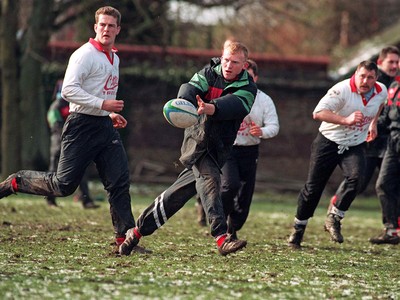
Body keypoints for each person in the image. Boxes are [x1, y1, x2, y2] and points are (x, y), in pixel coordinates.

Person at [0, 6, 144, 253]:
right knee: (63, 185)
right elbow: (68, 90)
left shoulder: (115, 58)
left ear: (118, 29)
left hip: (104, 126)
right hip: (80, 126)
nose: (106, 29)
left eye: (111, 25)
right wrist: (103, 105)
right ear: (95, 27)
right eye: (102, 25)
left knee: (119, 181)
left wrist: (109, 113)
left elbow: (100, 93)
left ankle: (124, 241)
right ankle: (16, 181)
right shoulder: (84, 55)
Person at [119, 41, 257, 256]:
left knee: (176, 196)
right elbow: (189, 88)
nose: (228, 65)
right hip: (197, 142)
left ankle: (136, 232)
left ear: (244, 65)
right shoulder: (208, 72)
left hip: (219, 147)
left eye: (235, 62)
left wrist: (211, 107)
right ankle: (222, 238)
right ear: (221, 57)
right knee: (211, 181)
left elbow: (236, 105)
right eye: (226, 60)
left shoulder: (248, 87)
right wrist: (183, 102)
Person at [287, 60, 387, 249]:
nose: (365, 81)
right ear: (355, 74)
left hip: (354, 144)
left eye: (370, 77)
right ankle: (298, 229)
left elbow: (381, 103)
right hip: (328, 142)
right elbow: (317, 113)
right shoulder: (341, 90)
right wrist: (345, 120)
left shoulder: (380, 90)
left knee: (357, 178)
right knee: (313, 189)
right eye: (362, 76)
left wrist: (373, 123)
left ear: (376, 79)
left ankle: (334, 217)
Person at [327, 46, 399, 209]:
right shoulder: (372, 83)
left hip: (389, 143)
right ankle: (335, 208)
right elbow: (363, 110)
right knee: (357, 181)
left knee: (389, 185)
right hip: (368, 142)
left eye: (397, 62)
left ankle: (392, 228)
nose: (395, 66)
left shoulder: (396, 83)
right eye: (391, 62)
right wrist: (373, 124)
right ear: (380, 62)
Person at [221, 59, 279, 240]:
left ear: (256, 78)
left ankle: (233, 225)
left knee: (245, 195)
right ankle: (219, 222)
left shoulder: (264, 100)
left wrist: (261, 131)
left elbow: (274, 126)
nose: (246, 81)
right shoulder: (228, 94)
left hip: (250, 150)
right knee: (230, 185)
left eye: (250, 77)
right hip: (228, 149)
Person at [45, 79, 99, 209]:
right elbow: (54, 124)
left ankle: (86, 200)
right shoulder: (57, 106)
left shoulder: (76, 104)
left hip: (76, 142)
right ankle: (50, 199)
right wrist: (63, 138)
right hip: (59, 142)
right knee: (54, 170)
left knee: (82, 169)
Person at [369, 78, 400, 244]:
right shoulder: (394, 87)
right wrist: (370, 126)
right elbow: (387, 116)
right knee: (383, 184)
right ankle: (391, 230)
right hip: (393, 140)